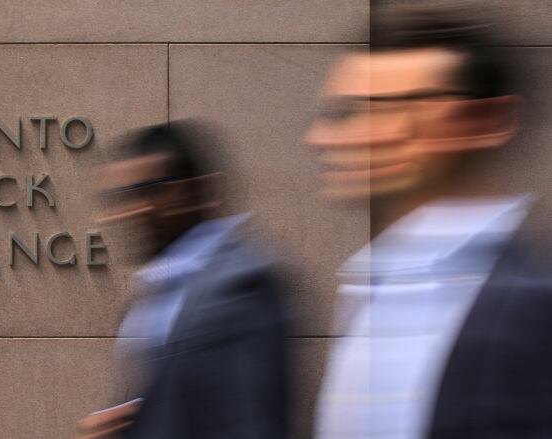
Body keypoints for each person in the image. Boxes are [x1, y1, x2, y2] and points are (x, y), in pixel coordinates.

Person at [306, 6, 552, 438]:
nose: (322, 138)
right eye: (337, 110)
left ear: (485, 120)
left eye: (370, 109)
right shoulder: (374, 286)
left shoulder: (532, 310)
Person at [79, 121, 291, 438]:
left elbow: (253, 424)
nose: (136, 209)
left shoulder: (241, 285)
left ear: (197, 190)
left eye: (154, 189)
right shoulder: (164, 284)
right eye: (127, 195)